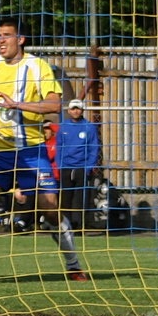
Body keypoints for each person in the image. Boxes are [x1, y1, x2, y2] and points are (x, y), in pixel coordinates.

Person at [0, 16, 88, 282]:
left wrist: (18, 105)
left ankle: (73, 264)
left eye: (6, 36)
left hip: (31, 151)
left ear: (20, 39)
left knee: (50, 208)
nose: (0, 41)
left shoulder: (38, 67)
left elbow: (54, 105)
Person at [56, 99, 101, 231]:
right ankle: (66, 225)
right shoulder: (63, 126)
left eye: (78, 108)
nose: (76, 111)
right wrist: (60, 165)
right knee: (65, 198)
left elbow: (94, 148)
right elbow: (59, 146)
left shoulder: (89, 127)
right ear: (69, 110)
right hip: (66, 167)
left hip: (81, 168)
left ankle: (80, 225)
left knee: (81, 198)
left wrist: (88, 167)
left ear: (82, 110)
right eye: (73, 108)